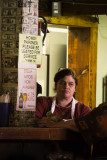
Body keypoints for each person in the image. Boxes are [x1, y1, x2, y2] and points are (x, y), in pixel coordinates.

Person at [35, 68, 92, 159]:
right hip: (45, 153)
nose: (66, 87)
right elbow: (35, 122)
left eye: (71, 84)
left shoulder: (83, 109)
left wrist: (54, 124)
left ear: (75, 88)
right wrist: (72, 124)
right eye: (62, 83)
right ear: (56, 85)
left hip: (76, 155)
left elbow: (88, 128)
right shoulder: (43, 102)